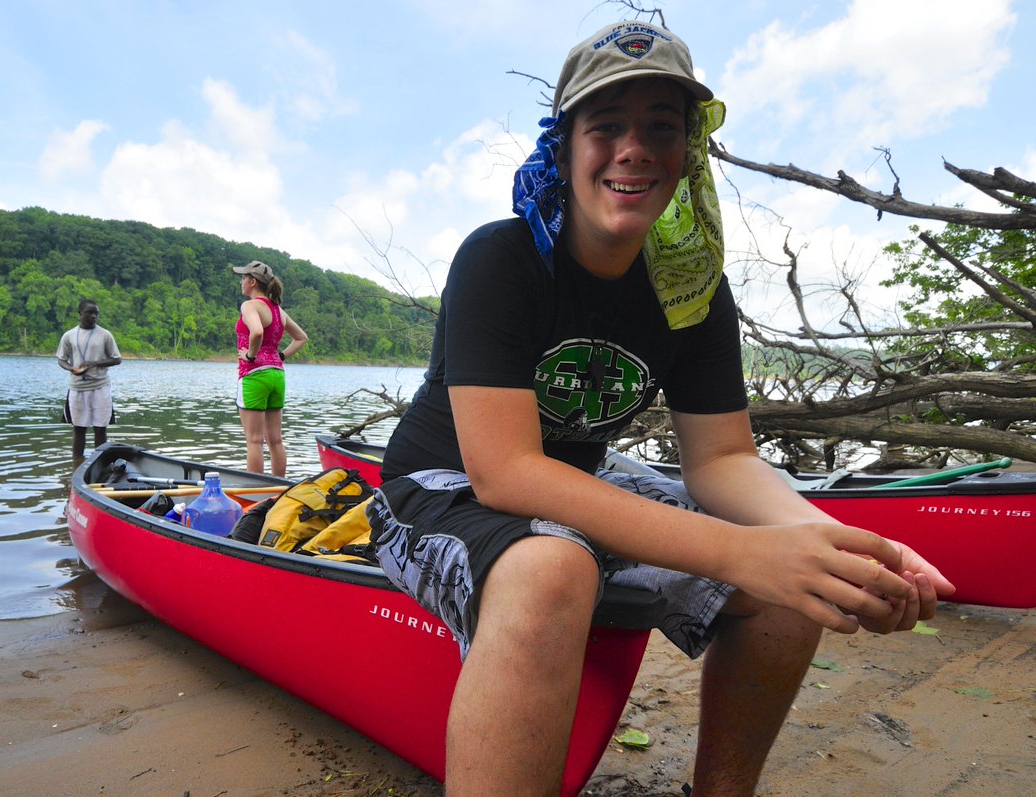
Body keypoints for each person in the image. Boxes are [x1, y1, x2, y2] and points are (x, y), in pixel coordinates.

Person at [366, 20, 955, 797]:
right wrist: (741, 553)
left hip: (578, 480)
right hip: (444, 486)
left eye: (661, 128)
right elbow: (506, 472)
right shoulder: (501, 259)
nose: (634, 148)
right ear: (565, 146)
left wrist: (837, 545)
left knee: (795, 562)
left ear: (686, 154)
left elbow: (724, 460)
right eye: (606, 125)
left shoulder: (691, 290)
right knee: (552, 568)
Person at [232, 260, 309, 476]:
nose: (241, 282)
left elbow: (256, 332)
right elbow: (302, 338)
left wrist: (250, 356)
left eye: (243, 278)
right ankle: (278, 490)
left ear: (253, 282)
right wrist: (281, 356)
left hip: (254, 374)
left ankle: (255, 493)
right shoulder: (278, 311)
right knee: (275, 440)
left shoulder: (250, 306)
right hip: (277, 375)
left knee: (254, 440)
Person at [57, 299, 121, 459]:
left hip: (100, 386)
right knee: (79, 429)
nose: (93, 316)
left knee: (100, 428)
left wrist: (94, 363)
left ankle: (99, 462)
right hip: (77, 387)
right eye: (89, 313)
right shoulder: (69, 336)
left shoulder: (105, 335)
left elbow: (116, 359)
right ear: (80, 313)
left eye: (96, 313)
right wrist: (71, 368)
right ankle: (77, 465)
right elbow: (61, 359)